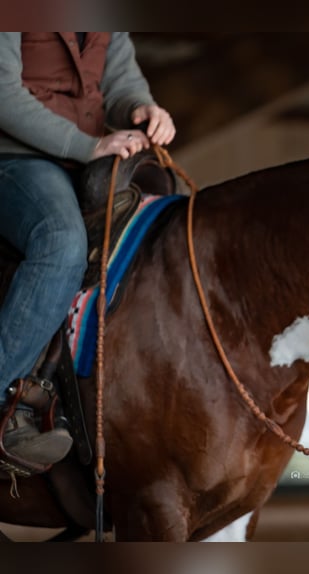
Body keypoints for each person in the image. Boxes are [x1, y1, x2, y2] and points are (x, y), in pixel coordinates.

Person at [0, 32, 176, 469]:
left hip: (83, 159)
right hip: (15, 158)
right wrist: (89, 145)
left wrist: (140, 108)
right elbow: (2, 93)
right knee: (61, 242)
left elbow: (120, 82)